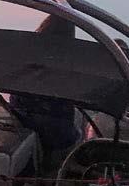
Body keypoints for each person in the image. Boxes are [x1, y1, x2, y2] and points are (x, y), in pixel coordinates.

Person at [9, 15, 81, 174]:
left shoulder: (27, 53)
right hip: (53, 130)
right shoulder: (67, 61)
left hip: (21, 122)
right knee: (75, 133)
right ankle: (58, 176)